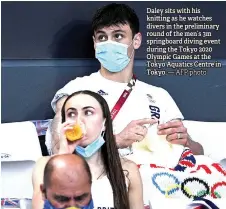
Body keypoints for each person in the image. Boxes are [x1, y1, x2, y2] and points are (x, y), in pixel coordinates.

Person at [47, 3, 203, 156]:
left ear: (136, 40)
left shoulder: (159, 95)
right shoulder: (76, 90)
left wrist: (186, 142)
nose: (109, 43)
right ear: (95, 43)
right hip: (107, 177)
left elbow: (199, 153)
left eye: (118, 36)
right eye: (102, 37)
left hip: (159, 175)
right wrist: (118, 140)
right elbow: (59, 150)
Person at [32, 90, 144, 209]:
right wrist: (64, 158)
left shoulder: (128, 169)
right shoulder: (44, 166)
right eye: (71, 114)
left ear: (104, 122)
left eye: (88, 112)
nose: (79, 121)